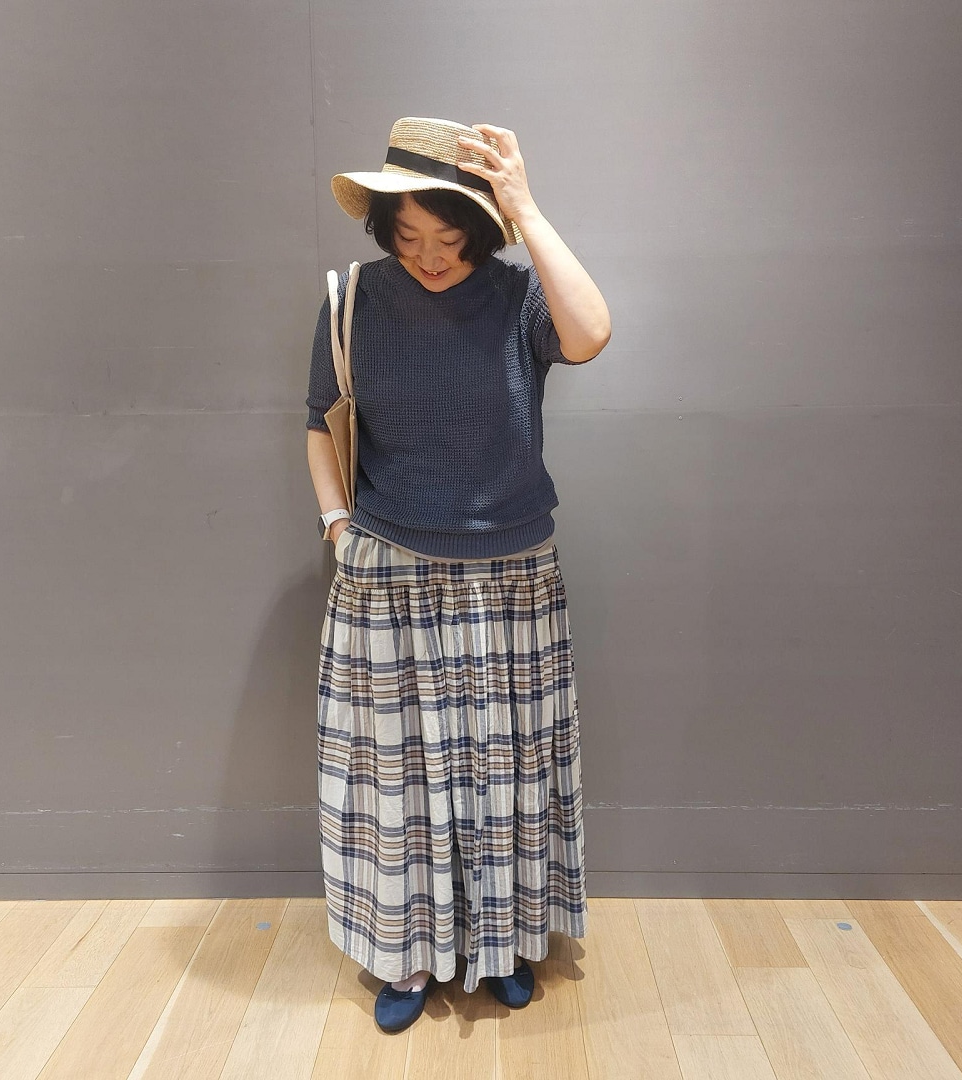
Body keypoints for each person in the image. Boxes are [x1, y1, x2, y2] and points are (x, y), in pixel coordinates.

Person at [305, 116, 610, 1033]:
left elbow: (591, 334)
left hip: (512, 574)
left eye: (448, 237)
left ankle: (505, 947)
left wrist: (525, 204)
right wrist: (337, 525)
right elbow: (322, 418)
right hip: (387, 571)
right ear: (382, 229)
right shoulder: (353, 298)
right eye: (407, 237)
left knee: (506, 779)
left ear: (481, 230)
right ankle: (407, 957)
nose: (428, 257)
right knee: (397, 786)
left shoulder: (520, 297)